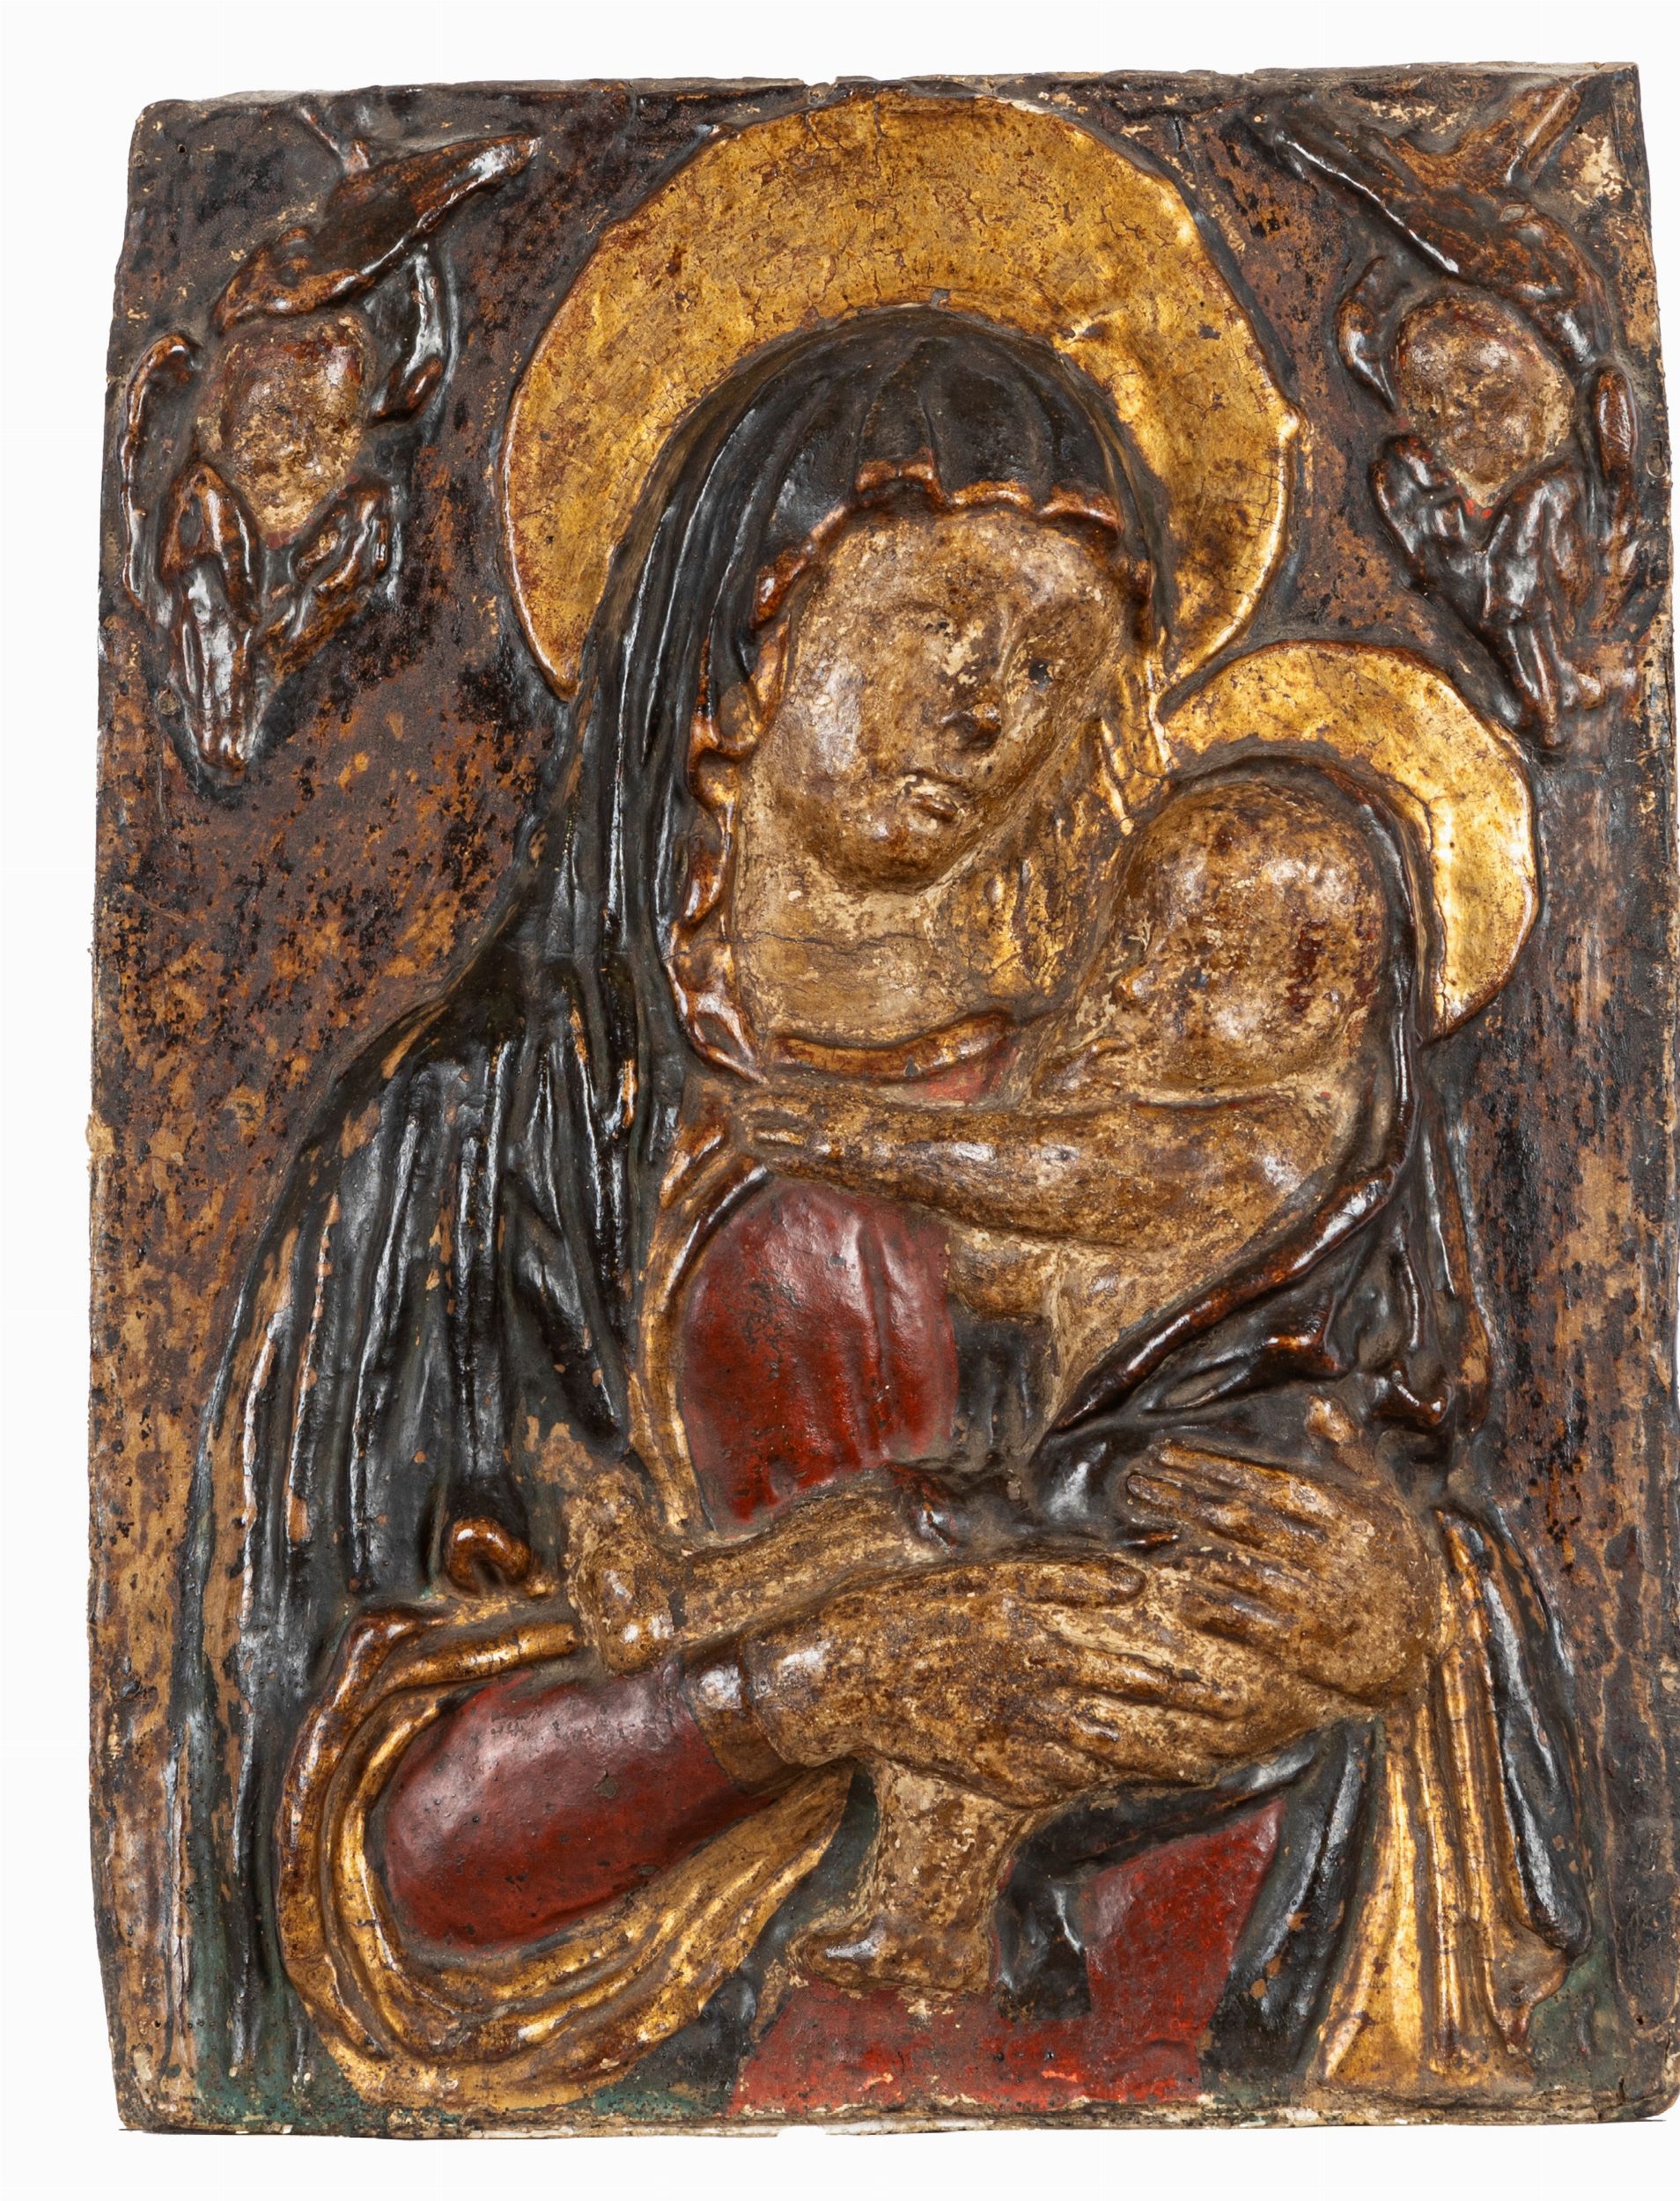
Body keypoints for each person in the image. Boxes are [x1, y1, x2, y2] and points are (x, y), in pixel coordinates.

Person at [173, 309, 1587, 2121]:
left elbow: (1373, 1477)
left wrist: (1405, 1612)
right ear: (742, 635)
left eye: (1052, 656)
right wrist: (821, 1687)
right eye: (931, 619)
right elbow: (322, 1790)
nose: (987, 704)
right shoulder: (477, 1136)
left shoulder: (1164, 1105)